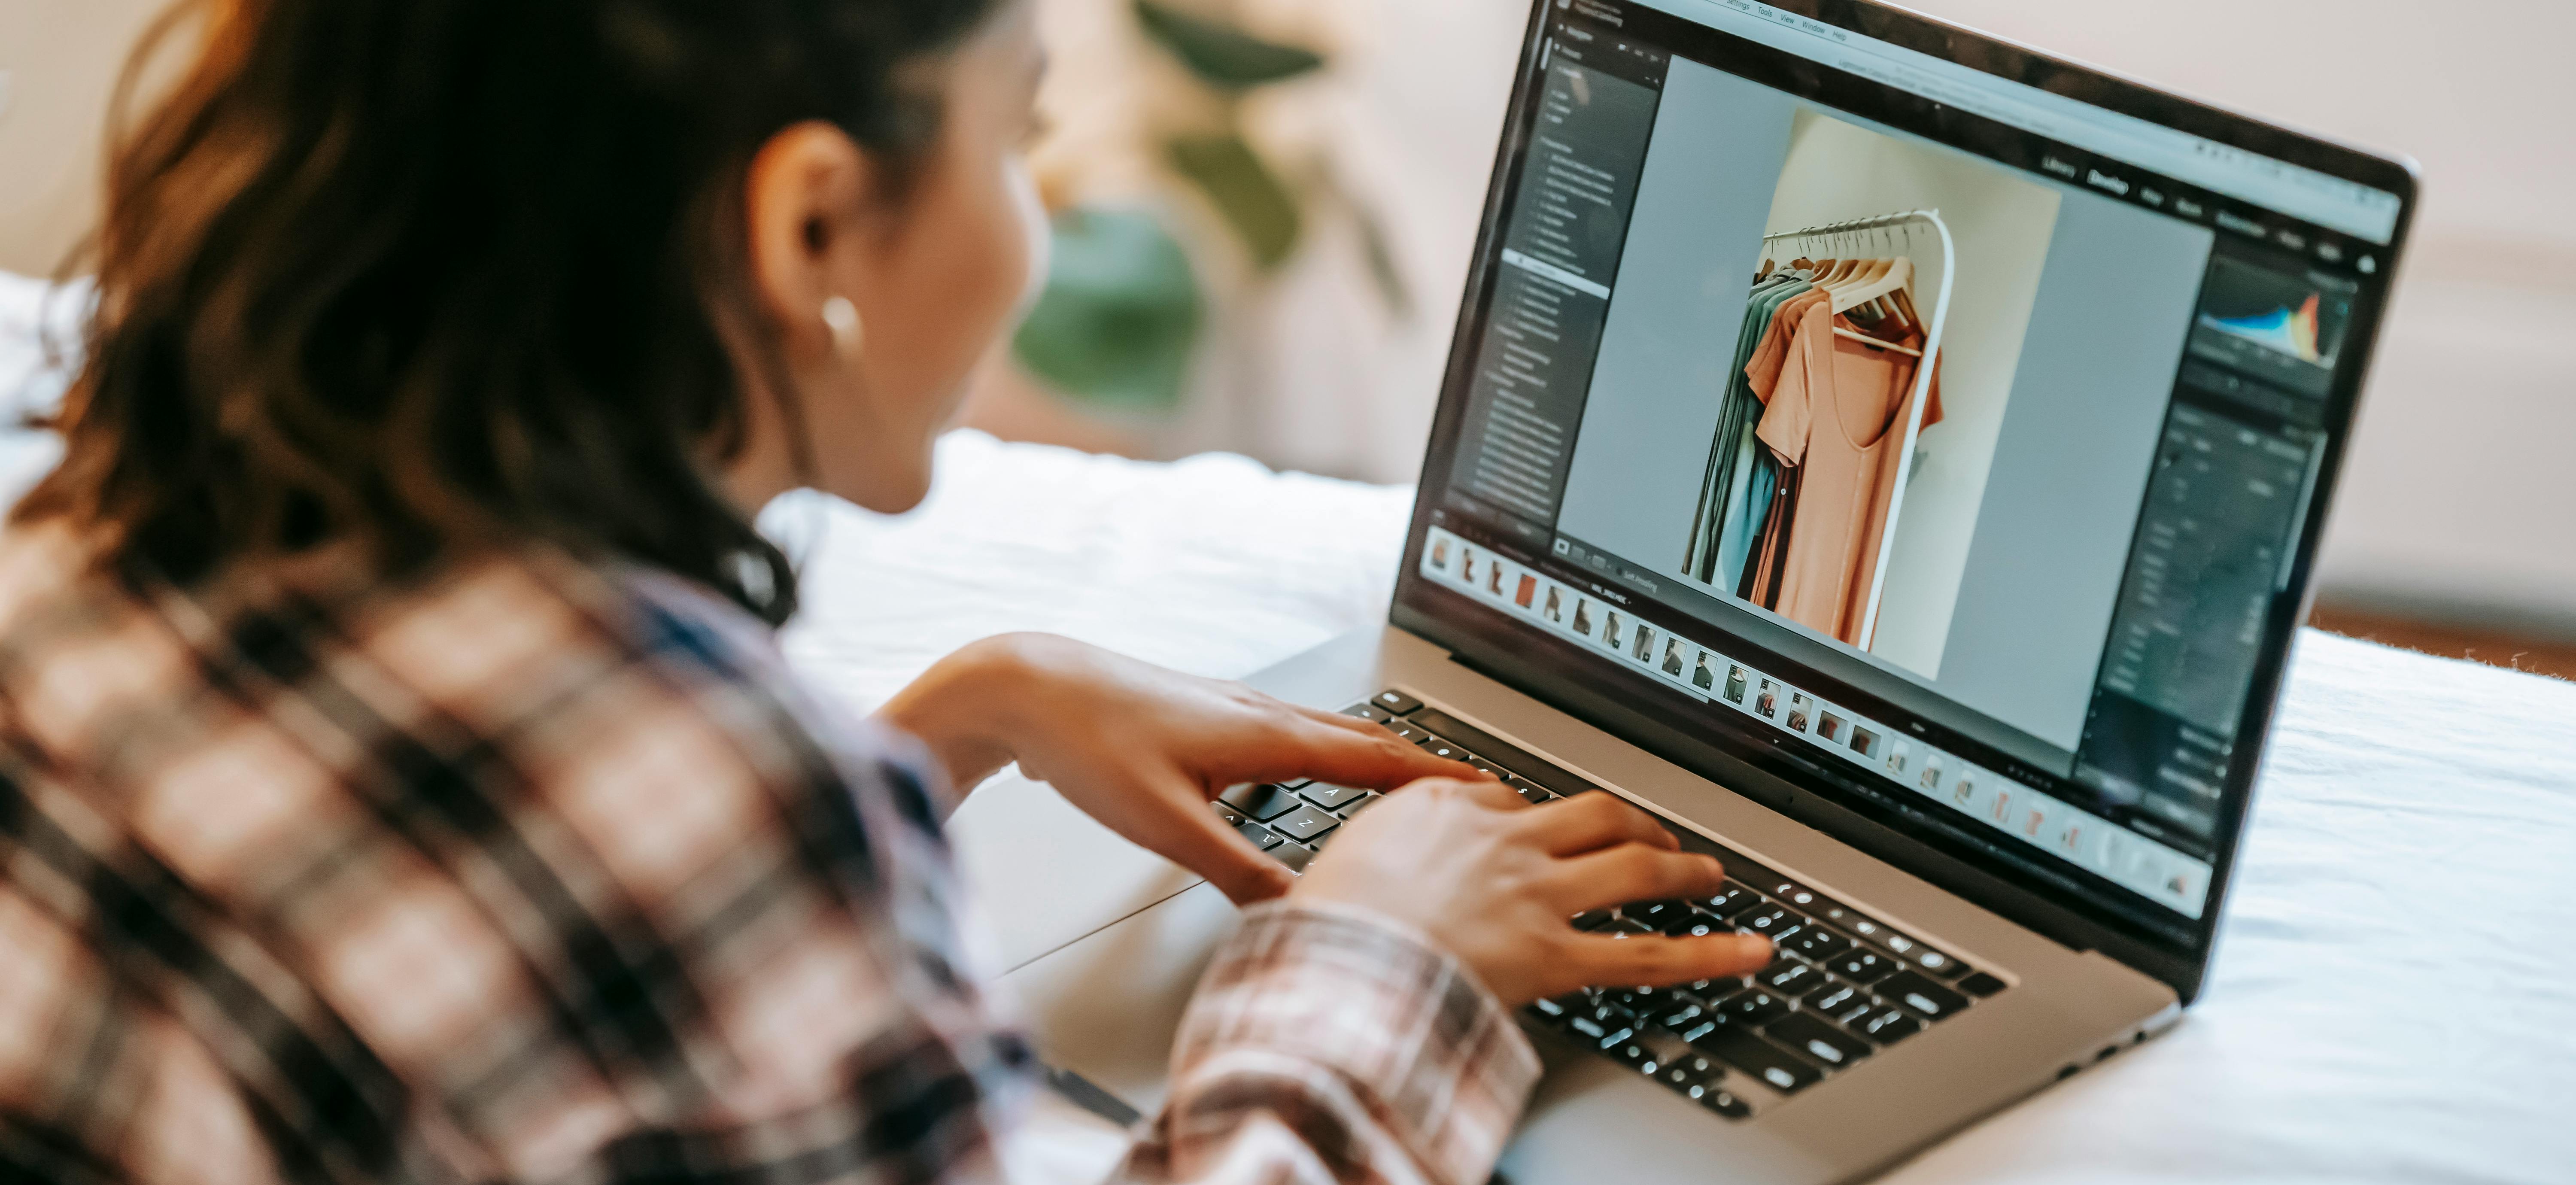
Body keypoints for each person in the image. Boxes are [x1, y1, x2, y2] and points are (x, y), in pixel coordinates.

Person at [0, 0, 1777, 1182]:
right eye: (1018, 137)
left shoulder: (95, 526)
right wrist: (1373, 965)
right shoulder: (700, 804)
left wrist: (950, 719)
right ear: (810, 232)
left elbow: (482, 938)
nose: (1031, 229)